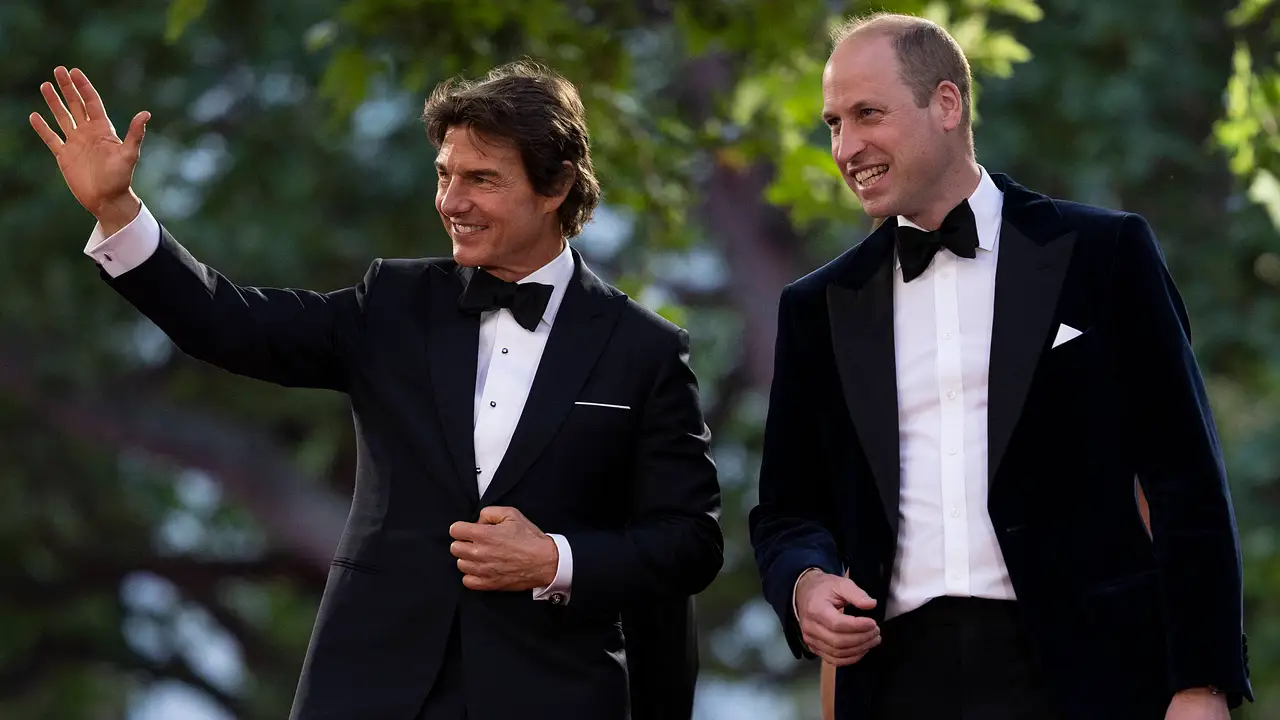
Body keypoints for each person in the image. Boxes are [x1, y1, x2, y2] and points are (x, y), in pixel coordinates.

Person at [31, 60, 723, 720]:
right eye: (444, 175)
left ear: (557, 186)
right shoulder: (392, 302)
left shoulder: (645, 350)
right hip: (369, 689)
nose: (452, 202)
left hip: (551, 695)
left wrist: (554, 560)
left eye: (481, 179)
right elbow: (229, 323)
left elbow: (689, 541)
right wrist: (118, 210)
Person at [749, 12, 1251, 720]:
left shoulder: (1104, 253)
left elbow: (1186, 479)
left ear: (946, 105)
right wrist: (803, 583)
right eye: (834, 123)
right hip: (895, 683)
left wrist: (1203, 682)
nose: (846, 147)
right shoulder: (817, 307)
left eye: (867, 114)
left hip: (1090, 677)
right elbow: (787, 509)